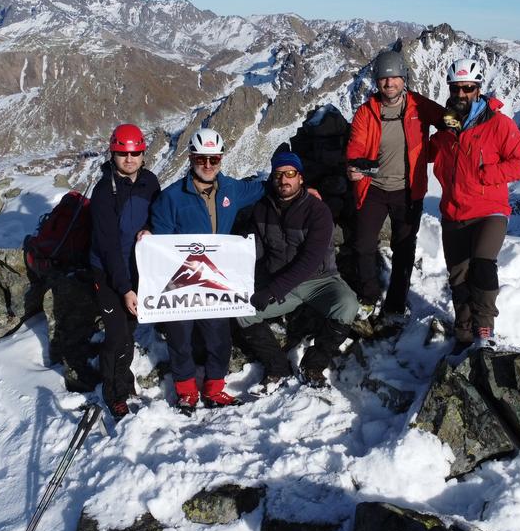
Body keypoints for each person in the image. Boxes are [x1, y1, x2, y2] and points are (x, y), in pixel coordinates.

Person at [149, 128, 267, 412]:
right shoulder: (171, 197)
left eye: (214, 159)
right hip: (182, 279)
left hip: (215, 278)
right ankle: (186, 392)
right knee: (180, 338)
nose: (208, 165)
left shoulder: (231, 189)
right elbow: (160, 242)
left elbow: (265, 188)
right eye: (201, 158)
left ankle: (214, 389)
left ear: (221, 158)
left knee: (219, 338)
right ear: (191, 158)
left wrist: (301, 188)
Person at [427, 58, 520, 352]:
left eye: (468, 88)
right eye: (456, 88)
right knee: (459, 277)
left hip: (490, 211)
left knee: (483, 266)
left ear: (478, 89)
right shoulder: (447, 128)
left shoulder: (498, 124)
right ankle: (463, 334)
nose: (461, 94)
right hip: (454, 212)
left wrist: (486, 175)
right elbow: (426, 154)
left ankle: (485, 328)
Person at [238, 150, 359, 390]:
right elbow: (255, 250)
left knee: (347, 304)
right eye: (278, 174)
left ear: (301, 178)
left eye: (290, 173)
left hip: (321, 281)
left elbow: (310, 260)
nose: (284, 179)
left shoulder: (318, 211)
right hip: (282, 283)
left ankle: (313, 364)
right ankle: (277, 367)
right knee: (243, 312)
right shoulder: (262, 210)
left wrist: (271, 290)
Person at [346, 50, 445, 321]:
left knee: (404, 248)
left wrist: (430, 149)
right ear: (376, 81)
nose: (389, 83)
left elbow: (447, 123)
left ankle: (396, 303)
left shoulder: (418, 105)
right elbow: (356, 146)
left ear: (404, 79)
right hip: (374, 189)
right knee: (363, 244)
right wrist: (355, 166)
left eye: (394, 78)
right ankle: (369, 296)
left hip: (408, 190)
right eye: (383, 79)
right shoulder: (366, 112)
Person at [87, 123, 159, 420]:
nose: (129, 159)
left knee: (128, 331)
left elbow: (158, 215)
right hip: (107, 272)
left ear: (143, 154)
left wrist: (150, 229)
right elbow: (108, 246)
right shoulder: (104, 191)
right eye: (122, 153)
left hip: (135, 268)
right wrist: (126, 288)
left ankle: (124, 380)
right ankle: (112, 392)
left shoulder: (149, 182)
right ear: (113, 154)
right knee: (117, 335)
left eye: (135, 153)